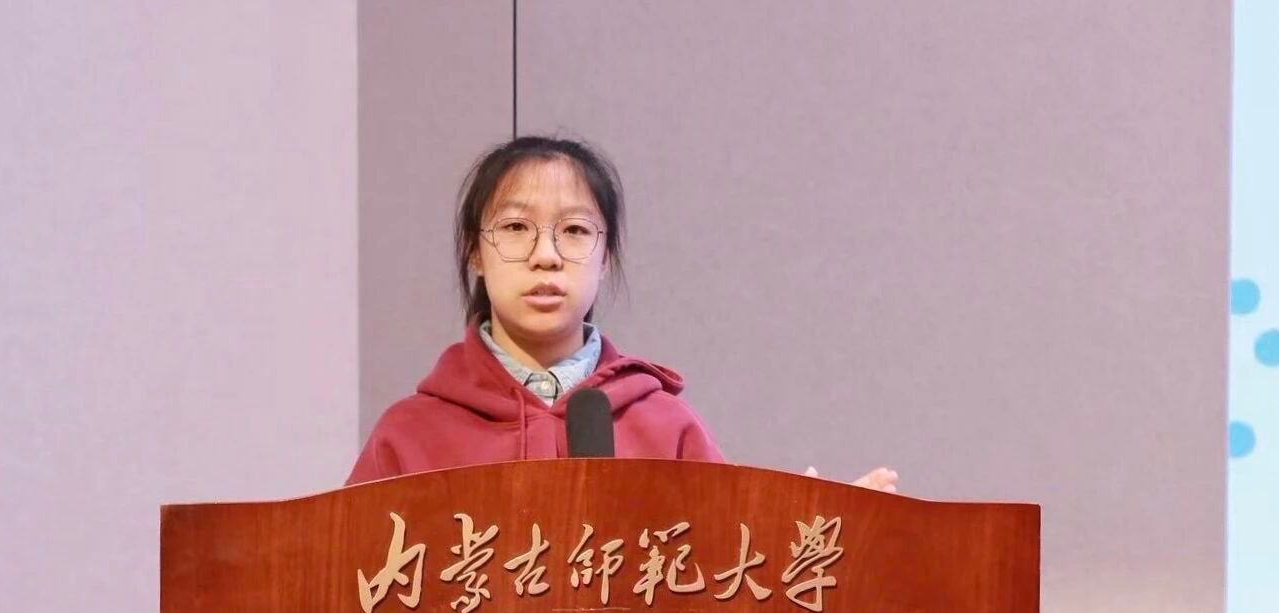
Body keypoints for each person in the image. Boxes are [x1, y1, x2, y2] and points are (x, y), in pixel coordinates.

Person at [345, 135, 897, 494]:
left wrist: (819, 533)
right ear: (474, 252)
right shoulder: (410, 435)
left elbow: (726, 586)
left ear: (605, 257)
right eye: (515, 227)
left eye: (574, 230)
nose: (546, 255)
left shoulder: (666, 428)